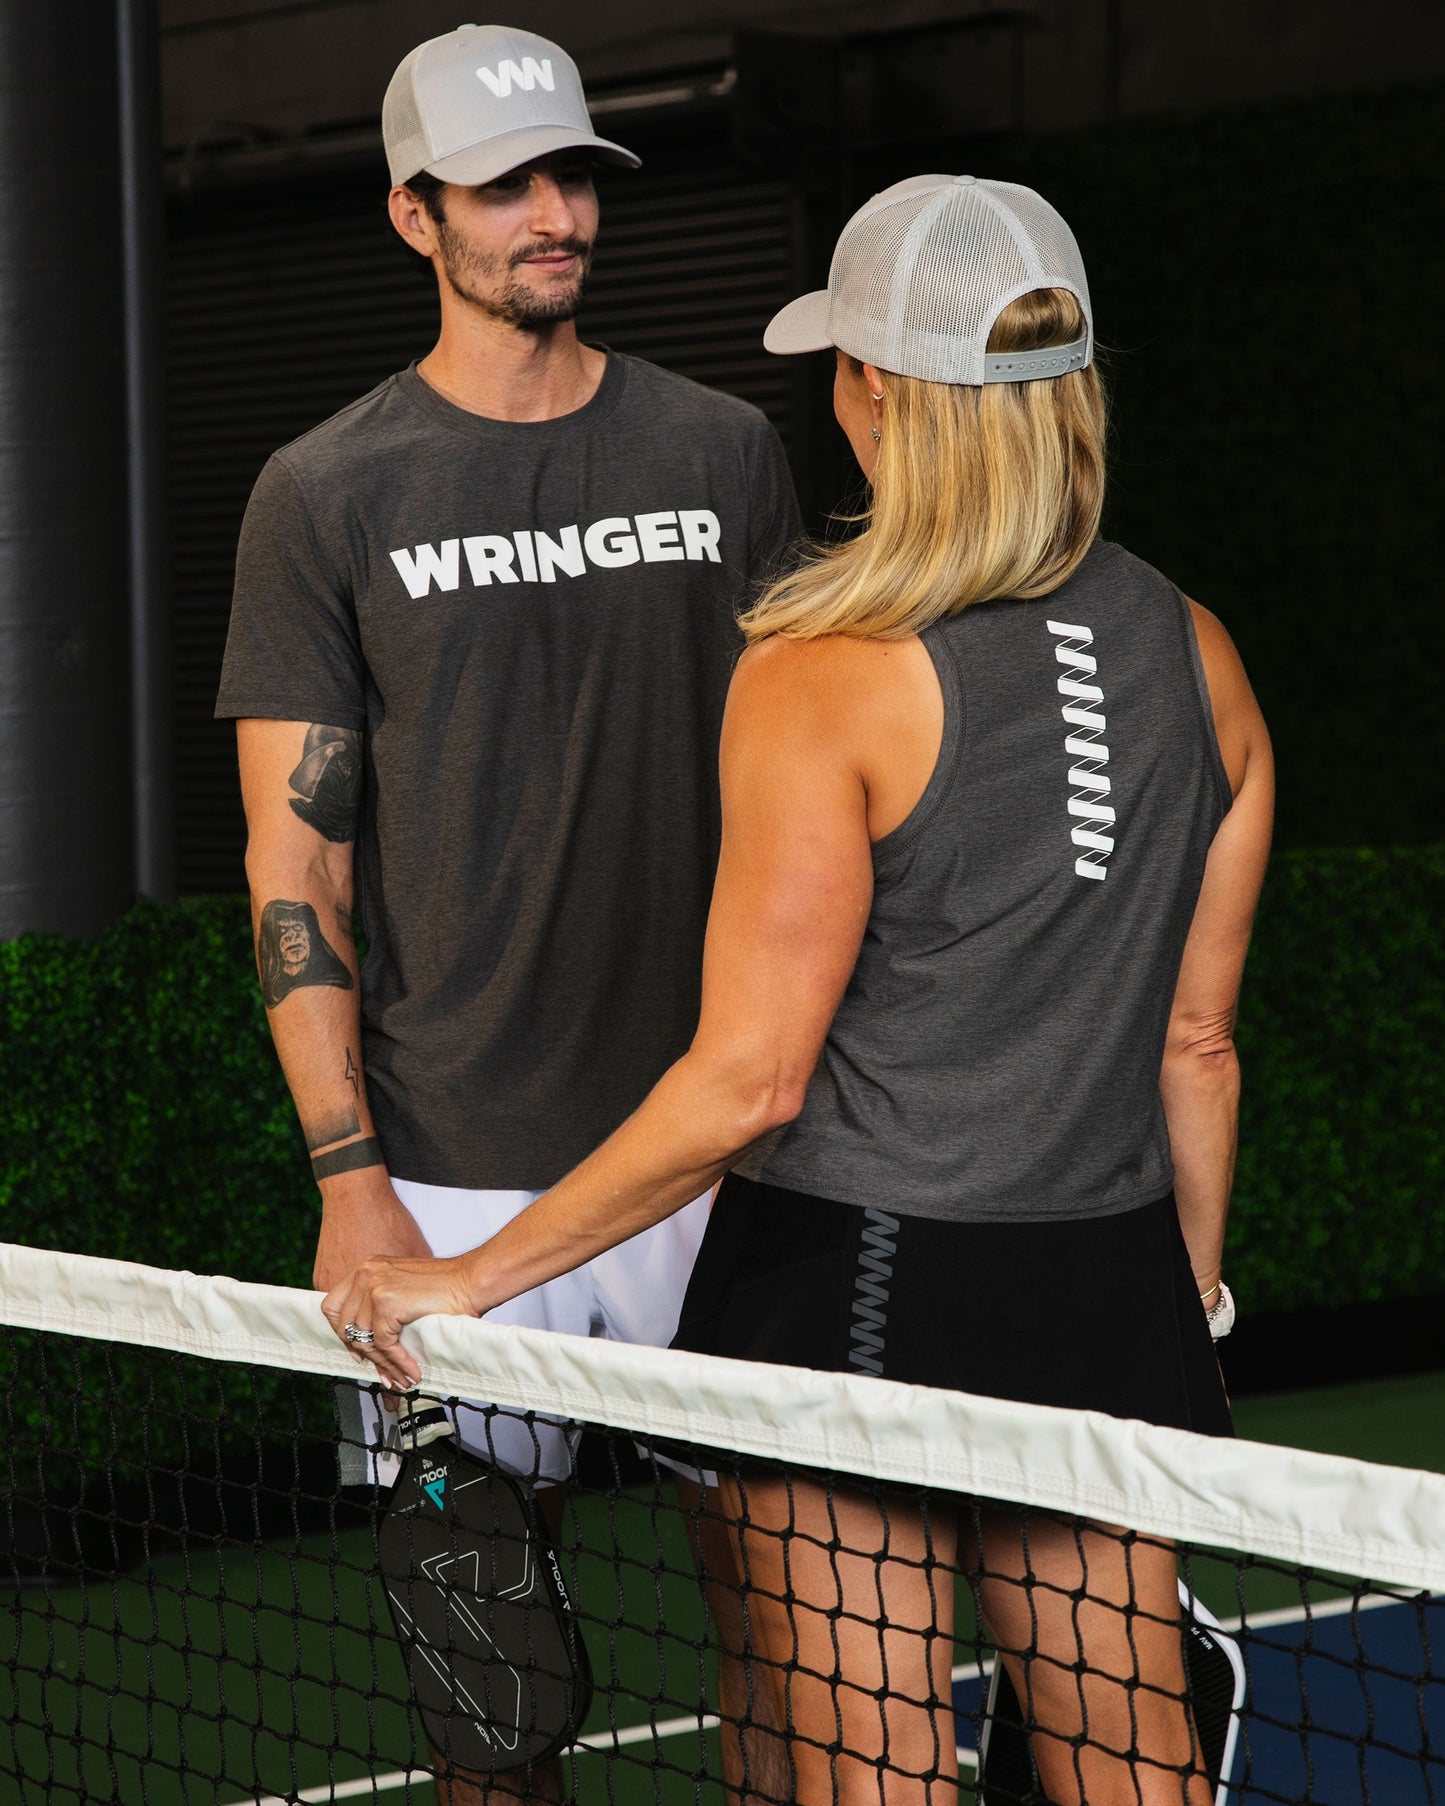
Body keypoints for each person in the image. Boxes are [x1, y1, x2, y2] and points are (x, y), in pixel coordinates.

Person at [323, 174, 1274, 1806]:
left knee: (872, 1784)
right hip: (1111, 1283)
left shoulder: (818, 668)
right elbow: (1196, 1040)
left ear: (875, 393)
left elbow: (747, 1081)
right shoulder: (1198, 648)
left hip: (852, 1289)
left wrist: (472, 1277)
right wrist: (1179, 1310)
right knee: (1138, 1783)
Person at [217, 20, 800, 1802]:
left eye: (572, 177)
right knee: (490, 1707)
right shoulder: (324, 492)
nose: (553, 214)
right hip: (453, 1174)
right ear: (413, 215)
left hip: (724, 1159)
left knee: (802, 1640)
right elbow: (292, 866)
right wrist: (348, 1180)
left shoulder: (723, 456)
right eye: (503, 185)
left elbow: (821, 794)